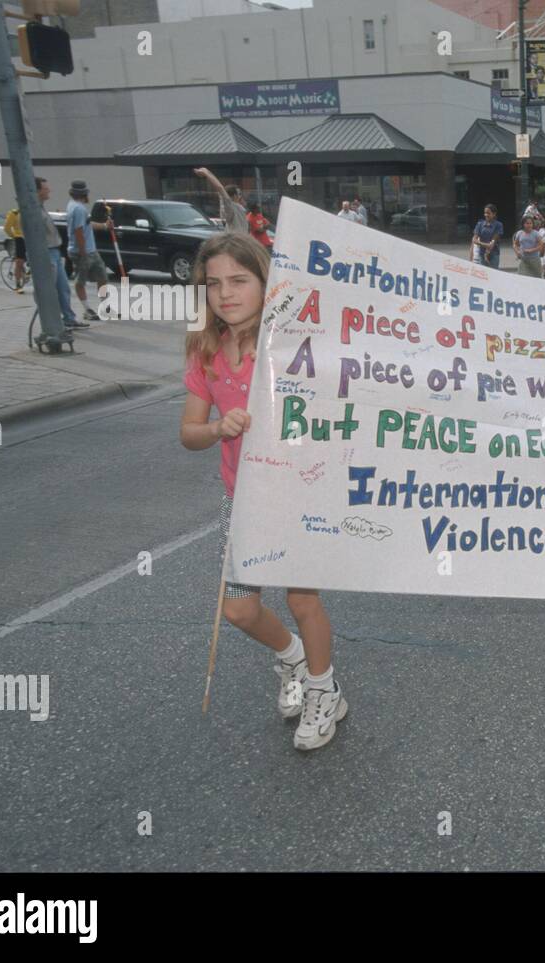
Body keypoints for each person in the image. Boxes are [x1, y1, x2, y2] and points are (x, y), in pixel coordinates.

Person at [180, 233, 346, 751]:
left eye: (239, 280)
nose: (225, 293)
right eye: (213, 284)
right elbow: (189, 433)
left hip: (302, 493)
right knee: (239, 611)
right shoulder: (204, 348)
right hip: (244, 499)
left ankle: (324, 691)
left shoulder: (292, 342)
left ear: (264, 281)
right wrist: (218, 429)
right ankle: (292, 657)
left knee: (302, 598)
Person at [34, 176, 83, 331]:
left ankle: (69, 318)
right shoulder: (32, 210)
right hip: (46, 254)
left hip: (54, 251)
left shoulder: (41, 207)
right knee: (49, 290)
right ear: (37, 191)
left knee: (63, 288)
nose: (49, 190)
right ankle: (53, 323)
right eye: (45, 188)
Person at [65, 179, 111, 322]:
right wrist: (83, 252)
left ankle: (105, 307)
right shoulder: (78, 209)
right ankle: (87, 310)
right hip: (82, 251)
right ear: (84, 194)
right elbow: (78, 231)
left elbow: (86, 225)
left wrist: (104, 226)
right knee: (81, 280)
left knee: (102, 277)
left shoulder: (73, 206)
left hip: (91, 250)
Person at [193, 168, 248, 234]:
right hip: (235, 241)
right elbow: (220, 188)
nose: (240, 196)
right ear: (234, 196)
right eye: (239, 194)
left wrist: (207, 171)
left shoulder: (237, 206)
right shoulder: (229, 206)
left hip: (241, 239)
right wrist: (206, 173)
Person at [470, 204, 504, 268]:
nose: (486, 215)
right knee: (483, 275)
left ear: (494, 214)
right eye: (485, 213)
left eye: (488, 213)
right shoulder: (480, 224)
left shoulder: (498, 225)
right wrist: (486, 245)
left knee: (494, 274)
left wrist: (486, 249)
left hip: (494, 254)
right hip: (481, 254)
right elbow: (474, 239)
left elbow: (493, 241)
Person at [3, 204, 27, 293]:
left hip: (30, 239)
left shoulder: (31, 213)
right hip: (19, 238)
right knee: (19, 262)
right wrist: (13, 236)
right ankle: (18, 284)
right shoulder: (14, 213)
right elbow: (7, 228)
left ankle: (27, 274)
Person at [513, 213, 545, 277]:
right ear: (523, 224)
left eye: (530, 223)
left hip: (534, 260)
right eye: (527, 223)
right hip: (524, 260)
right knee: (522, 278)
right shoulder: (519, 233)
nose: (529, 225)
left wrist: (532, 250)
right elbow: (515, 244)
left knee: (536, 279)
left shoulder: (536, 234)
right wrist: (517, 252)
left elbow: (541, 245)